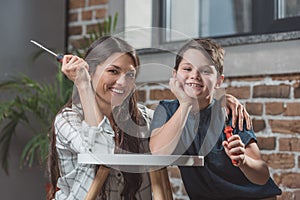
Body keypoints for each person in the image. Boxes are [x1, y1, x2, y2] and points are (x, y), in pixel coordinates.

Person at [47, 35, 252, 200]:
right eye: (113, 71)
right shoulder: (68, 120)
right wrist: (82, 85)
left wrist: (216, 100)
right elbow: (102, 152)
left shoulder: (143, 119)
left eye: (130, 75)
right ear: (90, 72)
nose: (122, 82)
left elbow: (180, 123)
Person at [149, 38, 282, 199]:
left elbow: (262, 175)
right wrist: (185, 104)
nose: (195, 75)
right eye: (187, 68)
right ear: (175, 75)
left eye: (205, 71)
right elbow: (158, 153)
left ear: (219, 81)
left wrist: (243, 161)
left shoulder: (231, 113)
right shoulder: (165, 110)